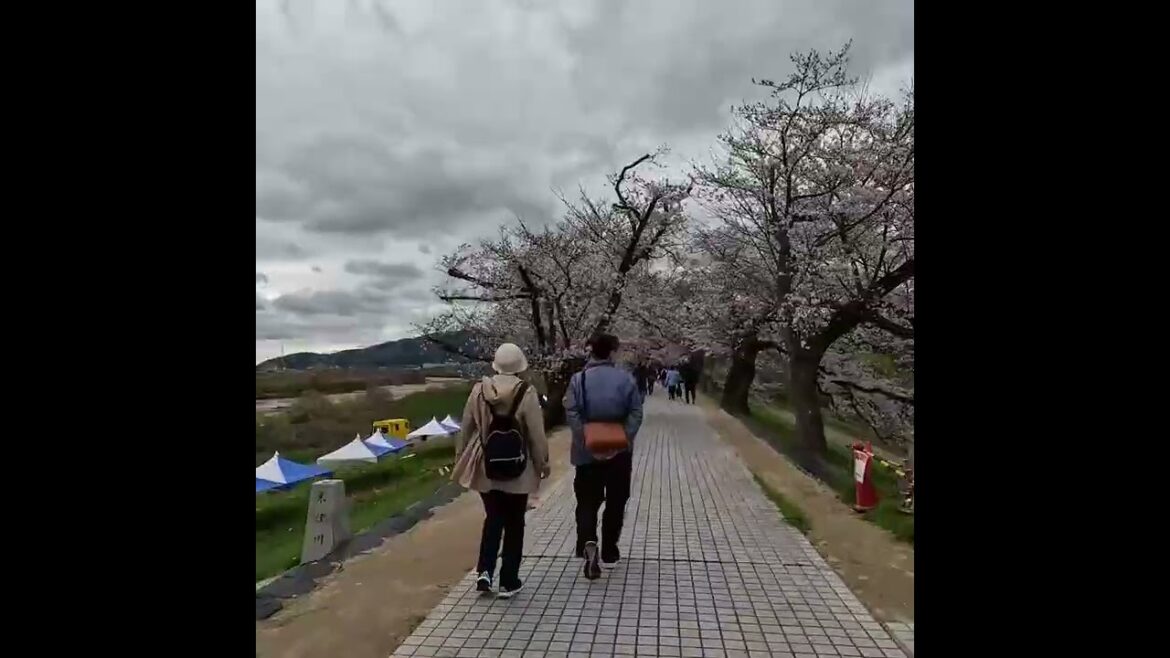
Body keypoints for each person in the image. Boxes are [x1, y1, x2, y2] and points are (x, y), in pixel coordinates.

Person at [452, 343, 550, 598]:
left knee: (493, 517)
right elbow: (537, 433)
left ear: (495, 364)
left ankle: (485, 571)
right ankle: (508, 581)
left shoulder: (479, 390)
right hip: (518, 465)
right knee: (515, 522)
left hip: (486, 464)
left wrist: (460, 457)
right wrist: (542, 462)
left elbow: (466, 427)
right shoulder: (526, 392)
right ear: (520, 366)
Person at [565, 333, 643, 579]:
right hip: (619, 452)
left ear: (591, 351)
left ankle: (588, 541)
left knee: (587, 500)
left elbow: (572, 412)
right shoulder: (626, 379)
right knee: (616, 500)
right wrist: (622, 439)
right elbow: (636, 412)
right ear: (612, 352)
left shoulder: (579, 380)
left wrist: (587, 440)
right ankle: (610, 550)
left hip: (586, 453)